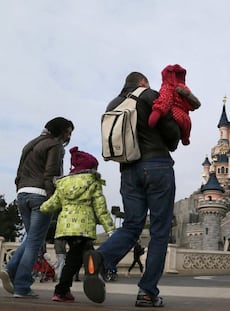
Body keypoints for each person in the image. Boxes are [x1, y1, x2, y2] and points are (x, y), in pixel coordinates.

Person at [83, 71, 184, 307]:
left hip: (128, 171)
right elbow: (172, 137)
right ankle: (147, 292)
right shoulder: (149, 95)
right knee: (159, 230)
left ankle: (100, 257)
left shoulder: (114, 104)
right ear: (143, 82)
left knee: (131, 225)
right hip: (157, 166)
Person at [0, 117, 74, 298]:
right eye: (67, 132)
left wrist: (19, 188)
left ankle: (10, 269)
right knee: (34, 242)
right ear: (59, 131)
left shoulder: (30, 144)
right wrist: (53, 200)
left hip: (22, 193)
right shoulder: (54, 146)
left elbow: (19, 172)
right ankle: (22, 286)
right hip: (40, 195)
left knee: (32, 238)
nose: (68, 136)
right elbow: (51, 174)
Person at [40, 146, 116, 302]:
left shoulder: (63, 184)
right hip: (84, 228)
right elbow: (100, 209)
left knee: (83, 253)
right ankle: (63, 290)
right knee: (75, 260)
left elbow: (52, 204)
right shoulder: (93, 182)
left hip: (65, 228)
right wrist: (111, 229)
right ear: (91, 168)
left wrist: (41, 207)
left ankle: (78, 283)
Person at [148, 64, 201, 145]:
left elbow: (165, 100)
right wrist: (187, 95)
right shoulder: (183, 88)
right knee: (187, 126)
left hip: (173, 115)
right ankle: (185, 138)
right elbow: (194, 104)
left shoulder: (168, 87)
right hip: (185, 120)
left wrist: (157, 112)